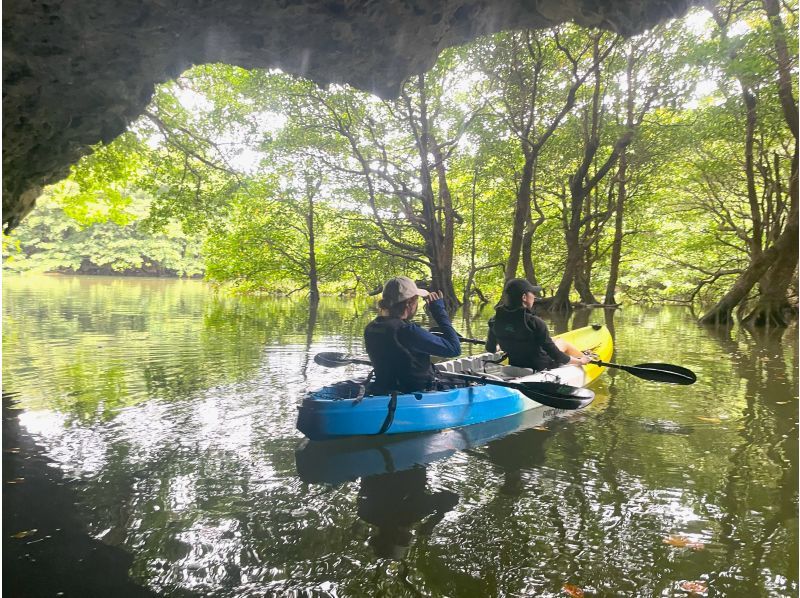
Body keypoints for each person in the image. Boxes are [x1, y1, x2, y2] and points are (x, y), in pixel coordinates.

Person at [364, 276, 461, 394]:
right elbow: (454, 349)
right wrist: (439, 311)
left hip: (384, 388)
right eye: (417, 300)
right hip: (415, 393)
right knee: (466, 378)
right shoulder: (408, 331)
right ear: (409, 303)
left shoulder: (371, 327)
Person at [485, 278, 593, 371]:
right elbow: (556, 356)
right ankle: (584, 358)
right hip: (542, 366)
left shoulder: (494, 320)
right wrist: (580, 362)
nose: (534, 296)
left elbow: (490, 348)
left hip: (516, 364)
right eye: (532, 293)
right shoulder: (535, 322)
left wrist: (503, 343)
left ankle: (582, 357)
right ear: (524, 297)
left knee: (555, 341)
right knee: (562, 342)